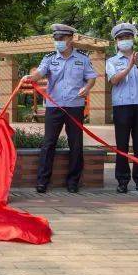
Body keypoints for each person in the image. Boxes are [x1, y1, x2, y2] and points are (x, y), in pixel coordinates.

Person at [26, 23, 98, 194]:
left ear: (70, 39)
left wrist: (87, 88)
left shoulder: (83, 59)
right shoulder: (49, 58)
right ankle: (43, 181)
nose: (58, 41)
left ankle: (73, 181)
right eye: (56, 39)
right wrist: (31, 77)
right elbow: (40, 73)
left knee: (76, 144)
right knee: (48, 143)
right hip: (54, 106)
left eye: (61, 38)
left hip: (75, 106)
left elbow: (91, 78)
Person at [105, 22, 138, 194]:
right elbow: (114, 80)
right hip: (122, 107)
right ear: (116, 41)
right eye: (121, 38)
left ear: (133, 39)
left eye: (128, 37)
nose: (125, 40)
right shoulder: (112, 61)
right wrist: (129, 67)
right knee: (122, 145)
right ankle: (122, 180)